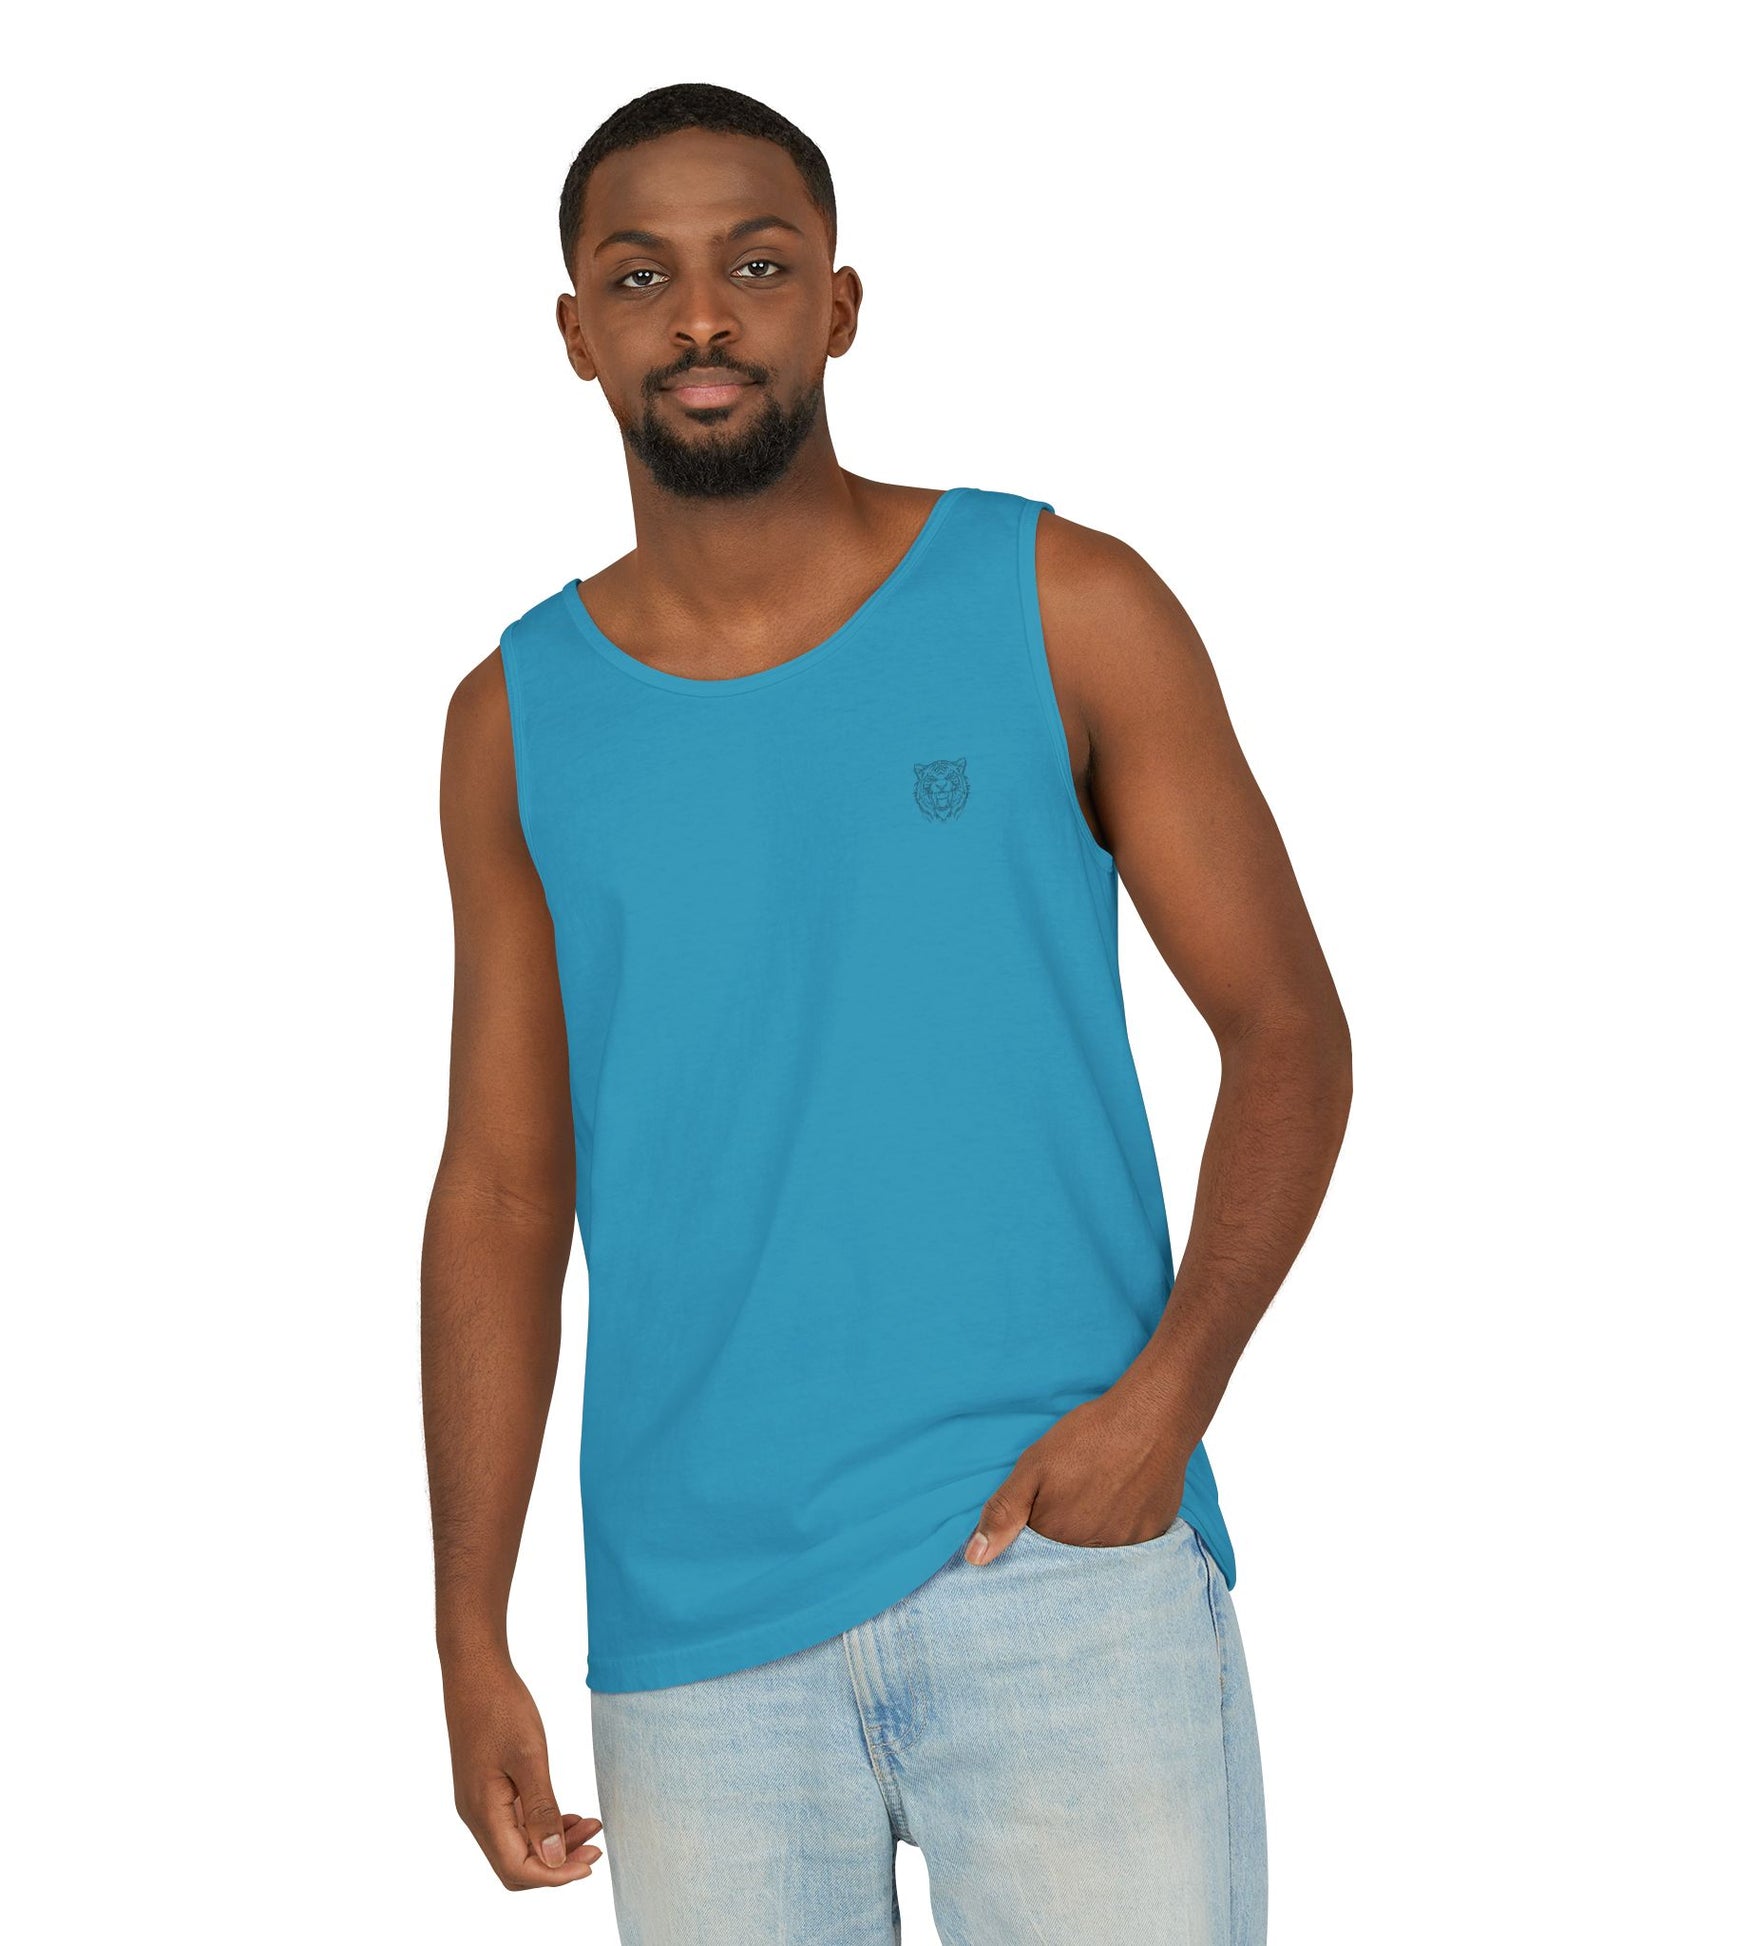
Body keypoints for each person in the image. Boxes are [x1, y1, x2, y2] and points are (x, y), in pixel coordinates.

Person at [421, 81, 1352, 1945]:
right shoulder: (512, 721)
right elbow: (505, 1193)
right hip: (692, 1632)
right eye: (640, 276)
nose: (701, 317)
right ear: (576, 331)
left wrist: (1164, 1406)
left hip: (1057, 1561)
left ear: (837, 304)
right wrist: (467, 1627)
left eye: (756, 266)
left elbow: (1286, 1030)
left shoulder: (1060, 602)